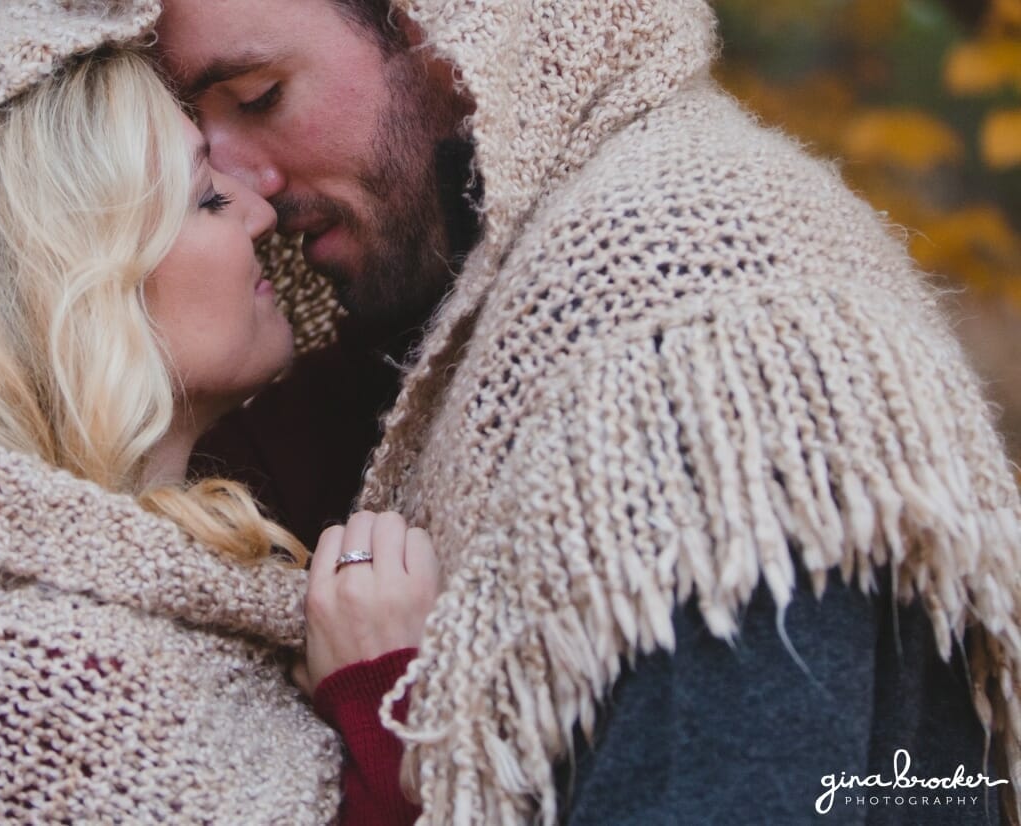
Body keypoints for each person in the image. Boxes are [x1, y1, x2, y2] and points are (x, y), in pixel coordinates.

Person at [157, 0, 1021, 823]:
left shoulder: (691, 326)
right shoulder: (472, 296)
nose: (246, 181)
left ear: (438, 28)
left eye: (259, 96)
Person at [0, 3, 432, 823]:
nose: (261, 212)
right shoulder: (25, 691)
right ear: (79, 294)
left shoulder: (121, 609)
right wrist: (387, 712)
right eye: (206, 200)